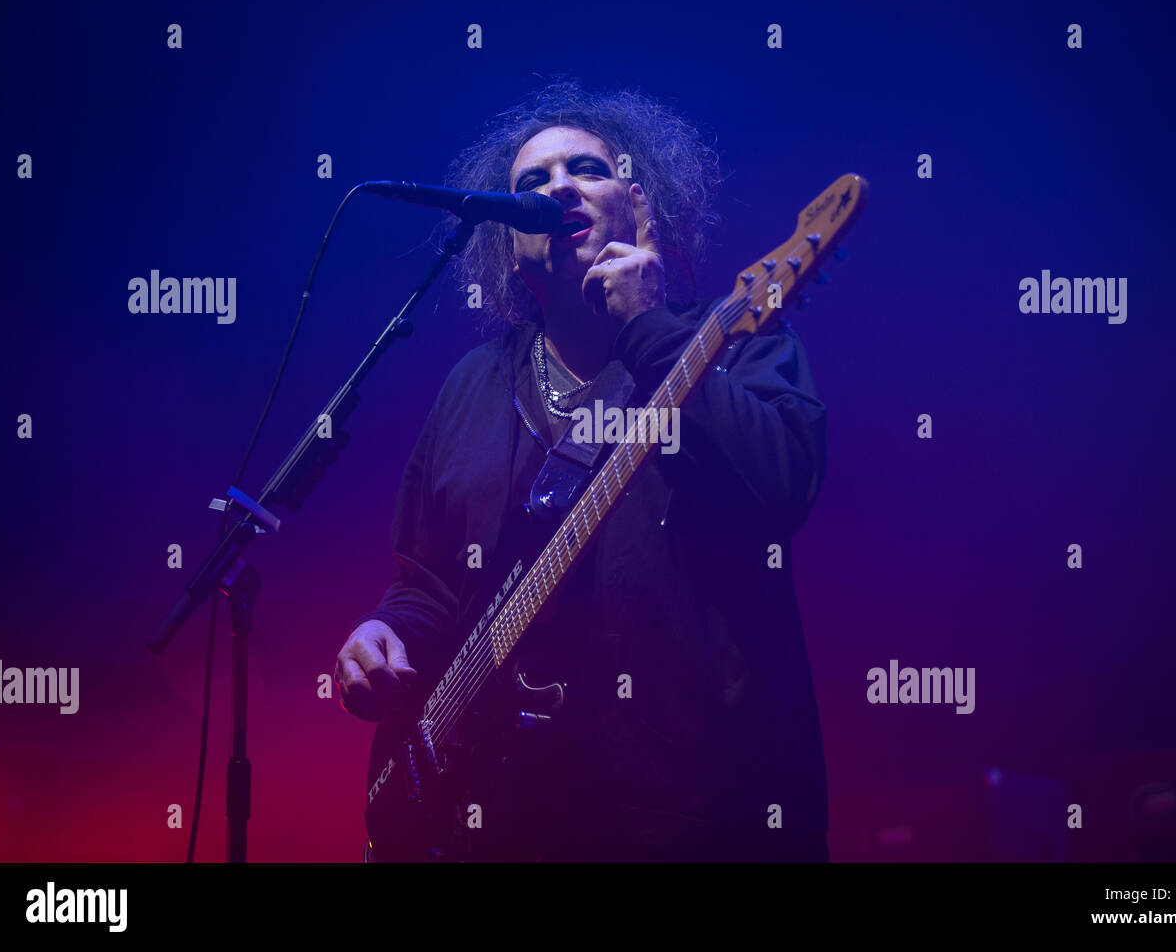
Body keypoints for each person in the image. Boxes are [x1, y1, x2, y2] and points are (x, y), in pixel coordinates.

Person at [334, 81, 829, 861]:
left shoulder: (731, 340)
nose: (556, 187)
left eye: (585, 170)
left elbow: (780, 489)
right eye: (530, 184)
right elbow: (429, 582)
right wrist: (385, 631)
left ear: (639, 204)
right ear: (504, 237)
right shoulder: (473, 382)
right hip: (506, 820)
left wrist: (650, 331)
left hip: (695, 817)